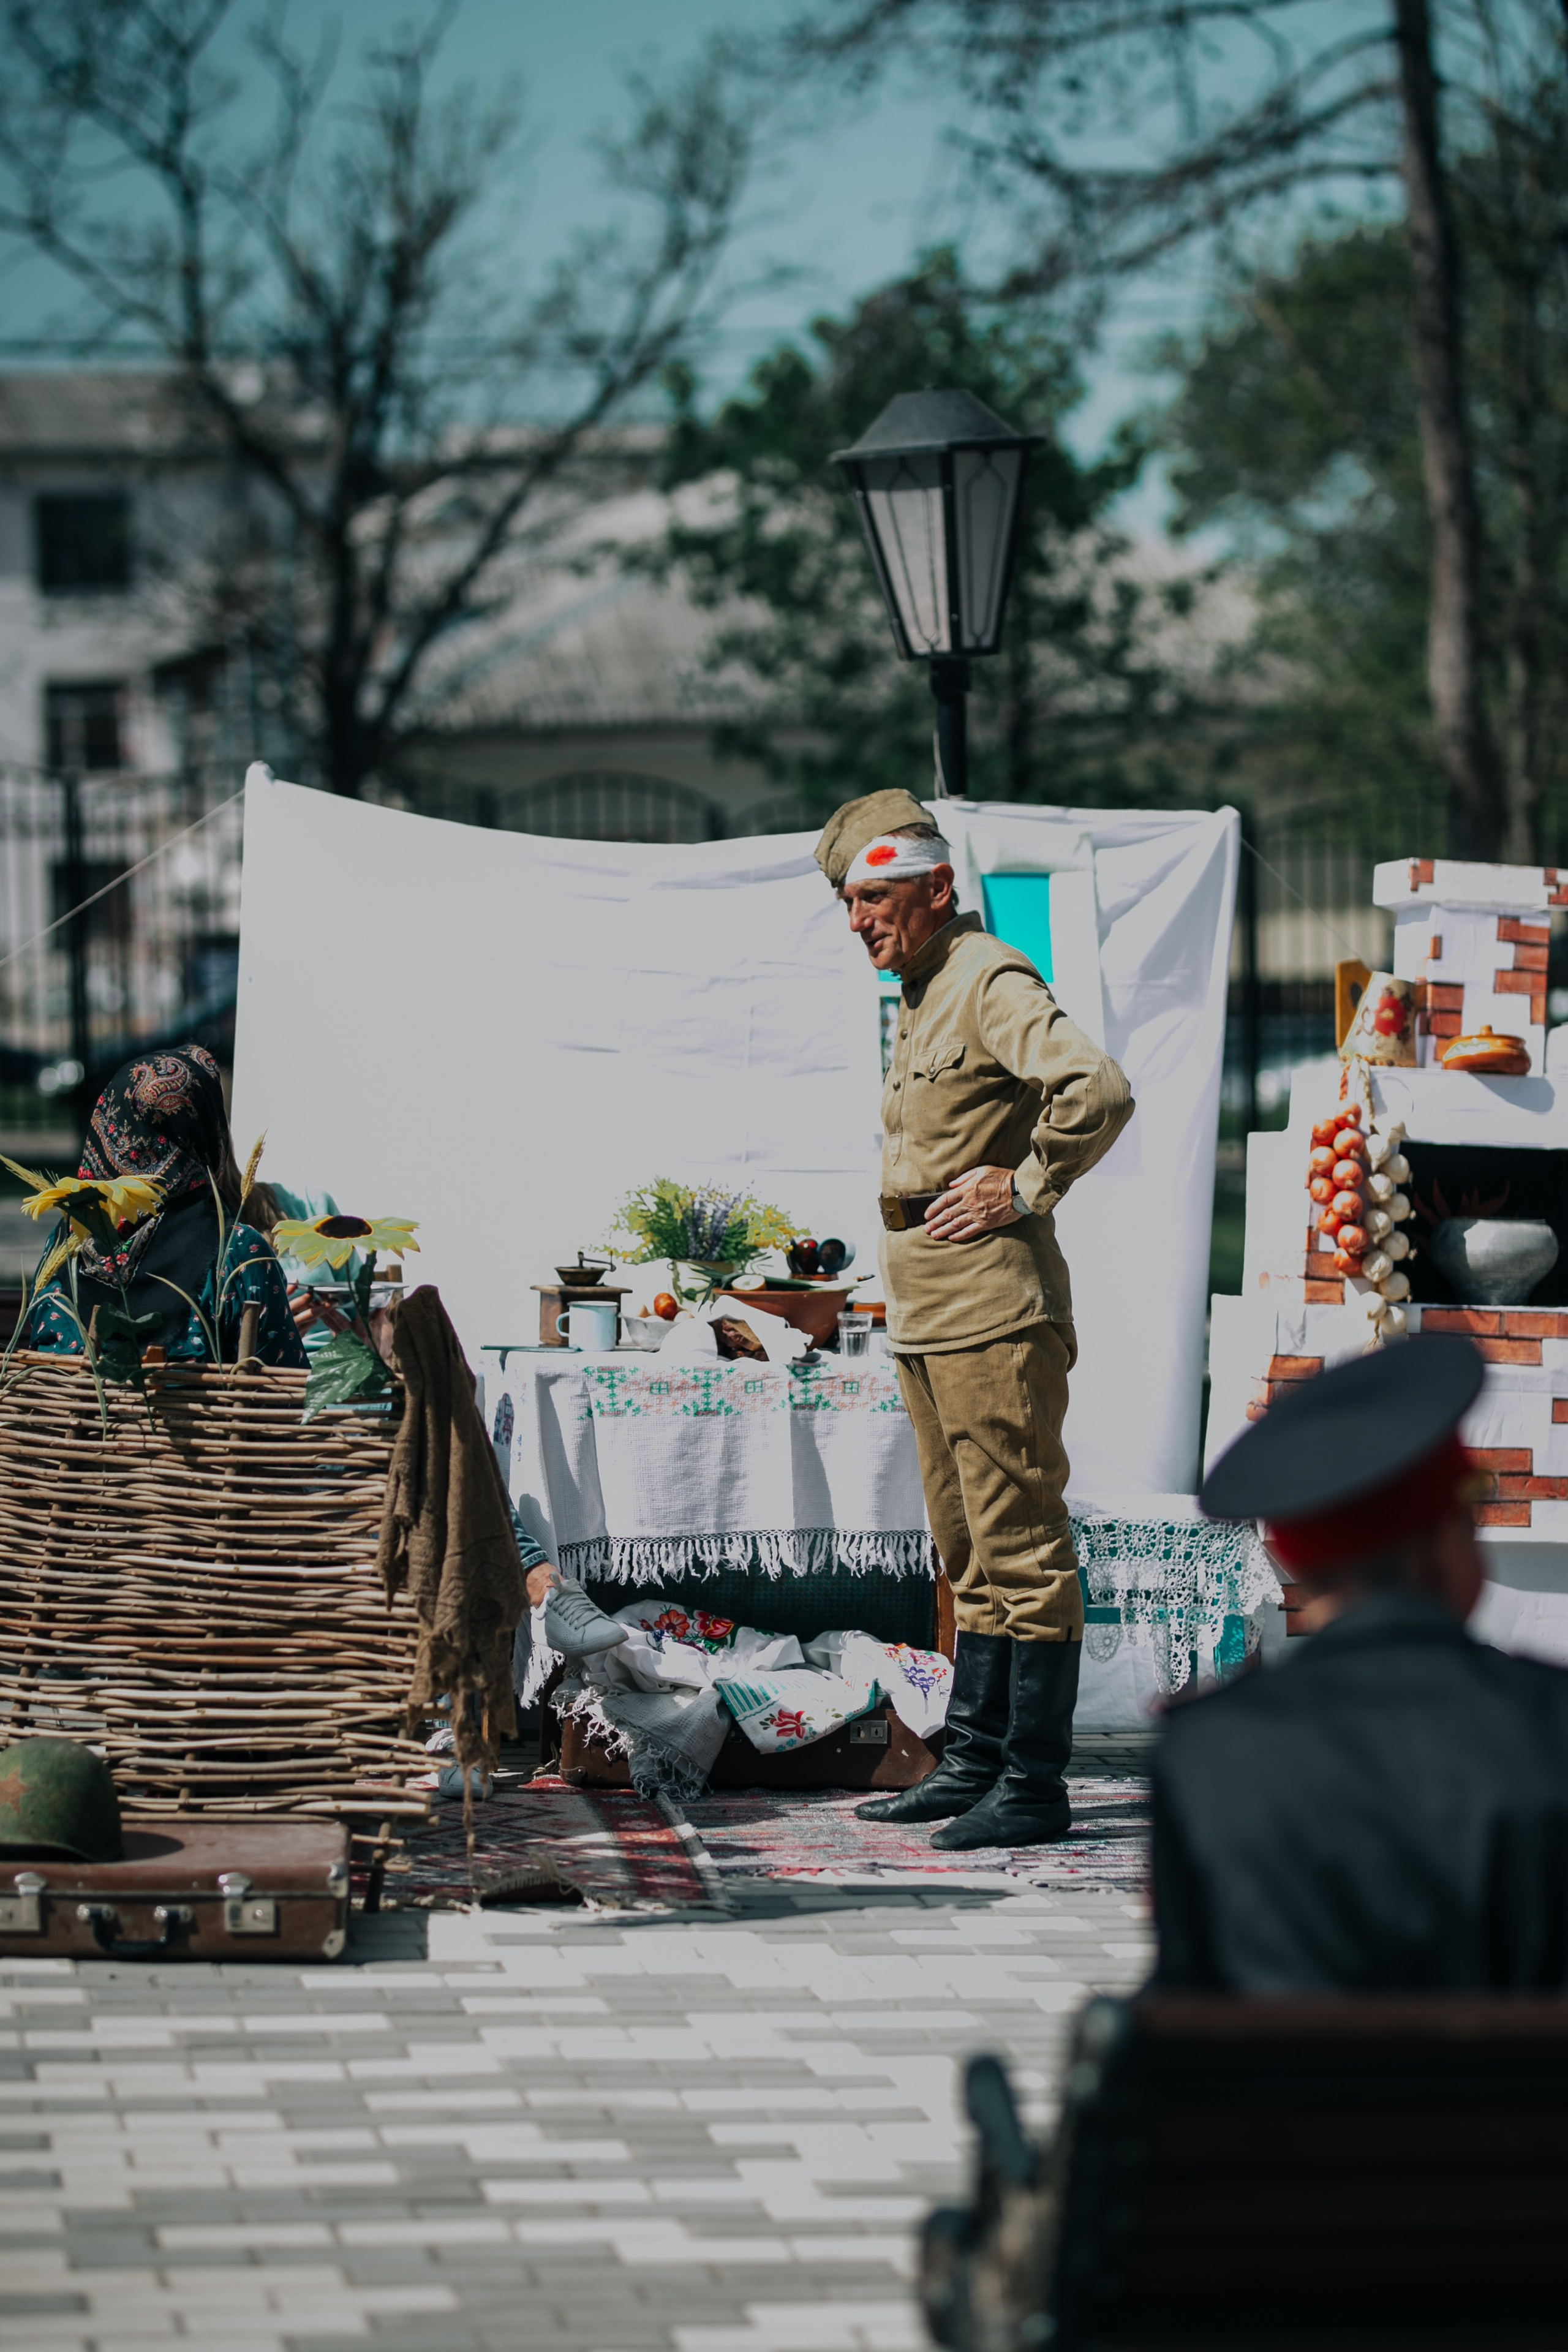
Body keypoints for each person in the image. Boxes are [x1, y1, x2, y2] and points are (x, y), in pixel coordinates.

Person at [813, 788, 1134, 1850]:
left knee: (1022, 1544)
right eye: (850, 904)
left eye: (876, 897)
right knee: (969, 1549)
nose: (860, 920)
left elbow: (1095, 1089)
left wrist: (1028, 1185)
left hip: (995, 1306)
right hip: (931, 1306)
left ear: (937, 889)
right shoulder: (921, 989)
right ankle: (977, 1760)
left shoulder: (983, 974)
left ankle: (1033, 1786)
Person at [1156, 1334, 1568, 1992]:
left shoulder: (1206, 1751)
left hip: (1289, 2094)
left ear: (1298, 1564)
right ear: (1445, 1543)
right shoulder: (1551, 1723)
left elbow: (1183, 2004)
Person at [26, 1044, 306, 1369]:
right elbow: (285, 1393)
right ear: (207, 1133)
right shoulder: (237, 1250)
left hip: (70, 1418)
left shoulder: (67, 1239)